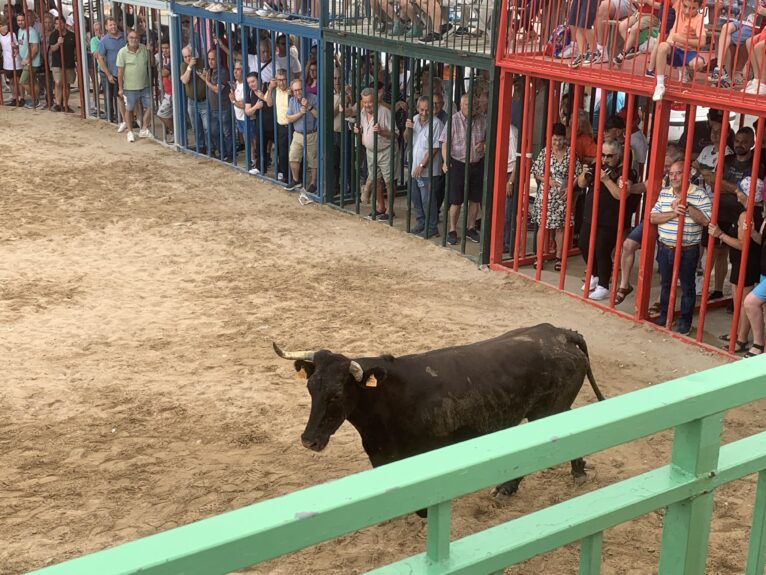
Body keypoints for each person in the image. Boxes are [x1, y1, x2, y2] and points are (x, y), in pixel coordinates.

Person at [650, 158, 712, 335]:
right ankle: (664, 316)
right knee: (666, 284)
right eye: (671, 174)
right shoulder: (665, 193)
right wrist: (673, 213)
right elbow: (652, 217)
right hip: (665, 247)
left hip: (688, 249)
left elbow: (706, 220)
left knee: (687, 287)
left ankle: (685, 322)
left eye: (678, 173)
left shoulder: (699, 194)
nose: (674, 177)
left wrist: (686, 206)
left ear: (688, 174)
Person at [708, 177, 764, 352]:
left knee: (743, 302)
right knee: (742, 301)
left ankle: (741, 339)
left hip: (744, 263)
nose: (736, 192)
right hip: (750, 262)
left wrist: (719, 234)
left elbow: (742, 244)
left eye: (740, 189)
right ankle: (738, 334)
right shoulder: (758, 212)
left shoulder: (745, 215)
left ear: (747, 194)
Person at [578, 139, 637, 300]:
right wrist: (584, 173)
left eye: (609, 156)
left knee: (601, 250)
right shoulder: (598, 165)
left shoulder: (627, 171)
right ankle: (595, 275)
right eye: (602, 155)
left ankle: (604, 285)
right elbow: (582, 184)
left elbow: (621, 195)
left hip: (609, 218)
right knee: (583, 245)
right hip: (590, 214)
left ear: (618, 155)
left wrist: (606, 180)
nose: (605, 159)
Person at [531, 122, 582, 270]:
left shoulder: (571, 153)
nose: (558, 143)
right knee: (543, 226)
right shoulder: (545, 152)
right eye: (555, 140)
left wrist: (570, 188)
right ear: (550, 138)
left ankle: (559, 257)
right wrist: (547, 180)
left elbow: (577, 174)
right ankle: (539, 256)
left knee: (560, 227)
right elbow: (537, 172)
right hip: (547, 194)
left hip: (563, 195)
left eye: (560, 139)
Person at [440, 93, 487, 245]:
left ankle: (470, 228)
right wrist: (446, 161)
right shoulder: (453, 120)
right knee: (456, 200)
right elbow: (445, 143)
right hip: (458, 164)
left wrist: (484, 145)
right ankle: (452, 230)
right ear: (461, 106)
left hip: (476, 163)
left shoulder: (482, 120)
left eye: (474, 104)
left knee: (475, 199)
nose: (471, 107)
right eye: (467, 104)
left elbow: (487, 138)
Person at [646, 0, 706, 101]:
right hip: (673, 49)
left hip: (688, 52)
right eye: (685, 6)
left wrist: (682, 40)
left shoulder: (699, 19)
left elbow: (702, 42)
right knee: (662, 46)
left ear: (700, 7)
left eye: (692, 8)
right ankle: (660, 84)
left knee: (698, 63)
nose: (687, 11)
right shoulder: (678, 7)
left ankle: (687, 71)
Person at [354, 86, 397, 221]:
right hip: (371, 151)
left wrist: (382, 132)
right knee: (376, 180)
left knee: (389, 182)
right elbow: (363, 130)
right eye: (365, 102)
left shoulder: (384, 112)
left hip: (386, 151)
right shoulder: (362, 112)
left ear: (376, 101)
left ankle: (390, 211)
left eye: (370, 102)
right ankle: (380, 208)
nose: (367, 105)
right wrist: (358, 131)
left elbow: (396, 134)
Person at [404, 95, 444, 239]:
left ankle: (432, 227)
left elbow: (434, 149)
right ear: (417, 108)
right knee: (417, 197)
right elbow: (406, 139)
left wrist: (422, 165)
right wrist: (408, 129)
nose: (424, 113)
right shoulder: (414, 119)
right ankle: (421, 222)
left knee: (428, 199)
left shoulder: (437, 124)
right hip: (415, 167)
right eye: (421, 110)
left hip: (427, 169)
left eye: (427, 110)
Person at [709, 0, 766, 88]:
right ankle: (719, 69)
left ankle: (728, 78)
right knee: (725, 29)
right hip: (742, 19)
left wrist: (763, 11)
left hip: (754, 25)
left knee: (726, 39)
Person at [117, 29, 152, 143]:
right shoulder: (122, 52)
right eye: (131, 38)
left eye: (136, 38)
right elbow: (120, 72)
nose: (134, 40)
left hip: (144, 85)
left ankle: (144, 129)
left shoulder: (143, 49)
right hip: (129, 87)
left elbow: (150, 64)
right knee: (129, 110)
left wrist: (150, 51)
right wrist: (121, 88)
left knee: (150, 106)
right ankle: (130, 132)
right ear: (127, 38)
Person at [199, 47, 232, 162]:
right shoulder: (210, 71)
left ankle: (230, 154)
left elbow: (217, 90)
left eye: (213, 59)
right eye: (209, 59)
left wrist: (206, 80)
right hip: (213, 108)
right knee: (214, 132)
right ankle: (223, 152)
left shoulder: (223, 72)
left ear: (218, 59)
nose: (210, 61)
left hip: (224, 107)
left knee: (226, 132)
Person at [286, 78, 319, 193]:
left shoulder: (313, 98)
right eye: (295, 90)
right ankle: (296, 180)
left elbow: (319, 115)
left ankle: (313, 184)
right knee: (293, 157)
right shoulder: (292, 101)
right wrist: (300, 113)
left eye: (300, 89)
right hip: (298, 134)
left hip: (311, 134)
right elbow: (289, 118)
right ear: (292, 91)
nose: (298, 92)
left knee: (313, 161)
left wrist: (309, 107)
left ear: (304, 88)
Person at [97, 17, 127, 128]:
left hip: (127, 74)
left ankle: (127, 119)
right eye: (110, 25)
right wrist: (108, 74)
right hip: (114, 74)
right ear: (106, 27)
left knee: (128, 98)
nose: (113, 27)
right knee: (117, 97)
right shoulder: (104, 40)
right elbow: (100, 58)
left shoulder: (124, 36)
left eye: (114, 24)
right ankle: (119, 119)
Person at [613, 0, 663, 64]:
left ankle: (623, 53)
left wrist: (649, 2)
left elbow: (661, 6)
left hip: (652, 16)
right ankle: (634, 47)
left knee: (634, 29)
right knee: (622, 26)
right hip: (638, 13)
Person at [180, 46, 208, 153]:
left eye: (189, 56)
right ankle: (201, 148)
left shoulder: (202, 62)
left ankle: (210, 147)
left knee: (207, 127)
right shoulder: (184, 66)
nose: (187, 59)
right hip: (192, 101)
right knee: (196, 127)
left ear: (194, 55)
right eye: (185, 57)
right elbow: (184, 80)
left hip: (204, 100)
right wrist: (190, 67)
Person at [265, 68, 291, 182]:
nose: (282, 82)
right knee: (282, 153)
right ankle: (285, 176)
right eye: (279, 80)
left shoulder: (292, 91)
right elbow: (269, 103)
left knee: (294, 153)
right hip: (281, 126)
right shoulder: (275, 90)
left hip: (292, 126)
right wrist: (270, 88)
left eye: (284, 79)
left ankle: (296, 176)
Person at [48, 15, 76, 113]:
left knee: (67, 84)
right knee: (58, 82)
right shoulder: (54, 35)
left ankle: (65, 105)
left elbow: (76, 50)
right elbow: (52, 48)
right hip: (57, 63)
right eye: (56, 23)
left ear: (64, 23)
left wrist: (76, 58)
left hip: (69, 63)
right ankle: (58, 104)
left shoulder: (72, 35)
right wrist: (58, 44)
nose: (58, 25)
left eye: (59, 23)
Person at [16, 11, 40, 109]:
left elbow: (35, 48)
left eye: (22, 20)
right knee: (33, 82)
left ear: (26, 20)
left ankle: (35, 99)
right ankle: (36, 101)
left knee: (23, 81)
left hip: (31, 62)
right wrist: (16, 48)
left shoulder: (31, 32)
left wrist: (27, 60)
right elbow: (22, 44)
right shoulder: (19, 30)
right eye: (18, 20)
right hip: (26, 61)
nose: (20, 22)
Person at [0, 16, 22, 106]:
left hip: (16, 60)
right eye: (3, 25)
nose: (5, 27)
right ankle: (14, 97)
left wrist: (16, 47)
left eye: (6, 25)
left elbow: (20, 43)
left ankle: (21, 97)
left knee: (18, 81)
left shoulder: (12, 34)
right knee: (11, 81)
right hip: (7, 62)